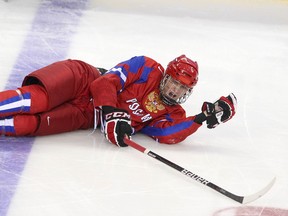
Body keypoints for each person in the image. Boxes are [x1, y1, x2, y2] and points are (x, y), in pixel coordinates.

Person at [0, 55, 237, 146]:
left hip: (86, 116)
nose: (176, 91)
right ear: (165, 75)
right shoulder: (146, 67)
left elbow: (168, 135)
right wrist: (112, 113)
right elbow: (104, 83)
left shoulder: (171, 113)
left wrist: (200, 118)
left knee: (29, 125)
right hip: (83, 79)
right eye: (174, 82)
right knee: (36, 101)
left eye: (183, 88)